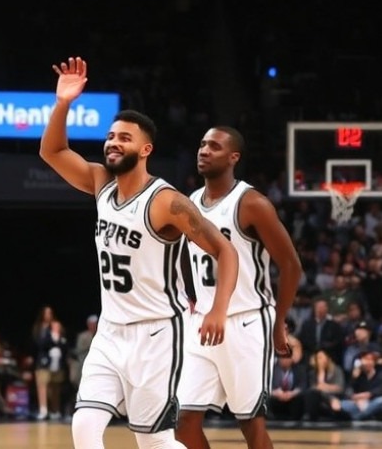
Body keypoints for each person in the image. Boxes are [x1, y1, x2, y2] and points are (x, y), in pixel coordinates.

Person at [39, 57, 238, 449]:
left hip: (157, 332)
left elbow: (225, 250)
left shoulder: (167, 202)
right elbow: (53, 152)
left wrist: (217, 309)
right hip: (110, 331)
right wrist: (63, 103)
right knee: (84, 426)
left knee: (154, 442)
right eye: (111, 136)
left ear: (145, 149)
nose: (114, 142)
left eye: (124, 138)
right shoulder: (101, 184)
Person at [176, 126, 302, 449]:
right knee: (182, 421)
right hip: (202, 323)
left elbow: (290, 265)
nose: (204, 150)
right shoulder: (189, 202)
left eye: (214, 146)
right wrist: (191, 299)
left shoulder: (252, 203)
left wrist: (279, 322)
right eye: (202, 144)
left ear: (234, 157)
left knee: (250, 423)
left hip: (245, 322)